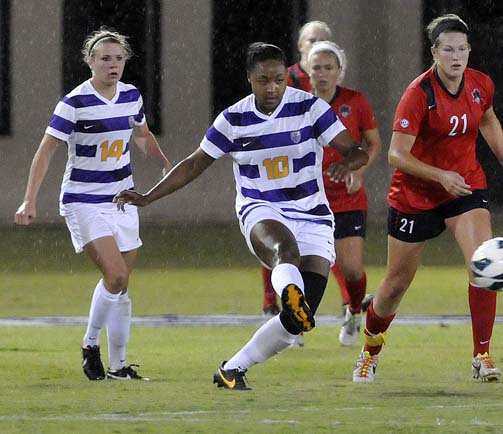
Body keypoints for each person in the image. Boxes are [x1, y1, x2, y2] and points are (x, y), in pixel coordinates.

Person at [113, 42, 368, 390]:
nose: (272, 87)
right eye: (263, 80)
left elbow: (355, 150)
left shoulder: (309, 107)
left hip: (312, 213)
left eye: (279, 79)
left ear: (287, 77)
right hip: (261, 209)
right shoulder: (234, 119)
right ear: (249, 78)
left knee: (296, 322)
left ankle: (232, 369)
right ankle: (290, 291)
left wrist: (348, 163)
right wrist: (147, 197)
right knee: (283, 251)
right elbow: (194, 164)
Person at [351, 14, 503, 384]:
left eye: (462, 49)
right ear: (434, 52)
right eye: (448, 49)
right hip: (415, 195)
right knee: (395, 286)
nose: (456, 56)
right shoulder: (418, 95)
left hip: (465, 188)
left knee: (481, 266)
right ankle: (369, 352)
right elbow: (395, 155)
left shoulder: (480, 84)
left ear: (470, 51)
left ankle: (481, 355)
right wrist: (440, 176)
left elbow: (487, 120)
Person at [14, 27, 172, 381]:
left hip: (122, 198)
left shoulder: (132, 96)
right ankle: (89, 344)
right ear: (90, 62)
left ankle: (118, 366)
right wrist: (29, 199)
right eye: (105, 59)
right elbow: (46, 151)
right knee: (114, 275)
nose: (113, 65)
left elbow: (142, 135)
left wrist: (163, 162)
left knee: (122, 284)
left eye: (118, 59)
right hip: (83, 199)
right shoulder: (74, 102)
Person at [261, 20, 351, 322]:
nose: (315, 45)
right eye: (311, 40)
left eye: (322, 40)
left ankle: (344, 303)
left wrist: (355, 166)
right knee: (276, 239)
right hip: (286, 180)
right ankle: (273, 303)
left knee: (320, 245)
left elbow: (363, 141)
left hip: (324, 181)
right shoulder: (284, 81)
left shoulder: (334, 87)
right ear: (300, 46)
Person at [307, 41, 382, 346]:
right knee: (305, 266)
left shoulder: (355, 101)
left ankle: (353, 310)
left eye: (328, 68)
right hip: (309, 199)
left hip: (347, 198)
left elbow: (373, 144)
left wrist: (357, 172)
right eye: (316, 68)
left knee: (351, 269)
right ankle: (294, 321)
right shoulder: (298, 104)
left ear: (339, 71)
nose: (322, 74)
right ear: (308, 72)